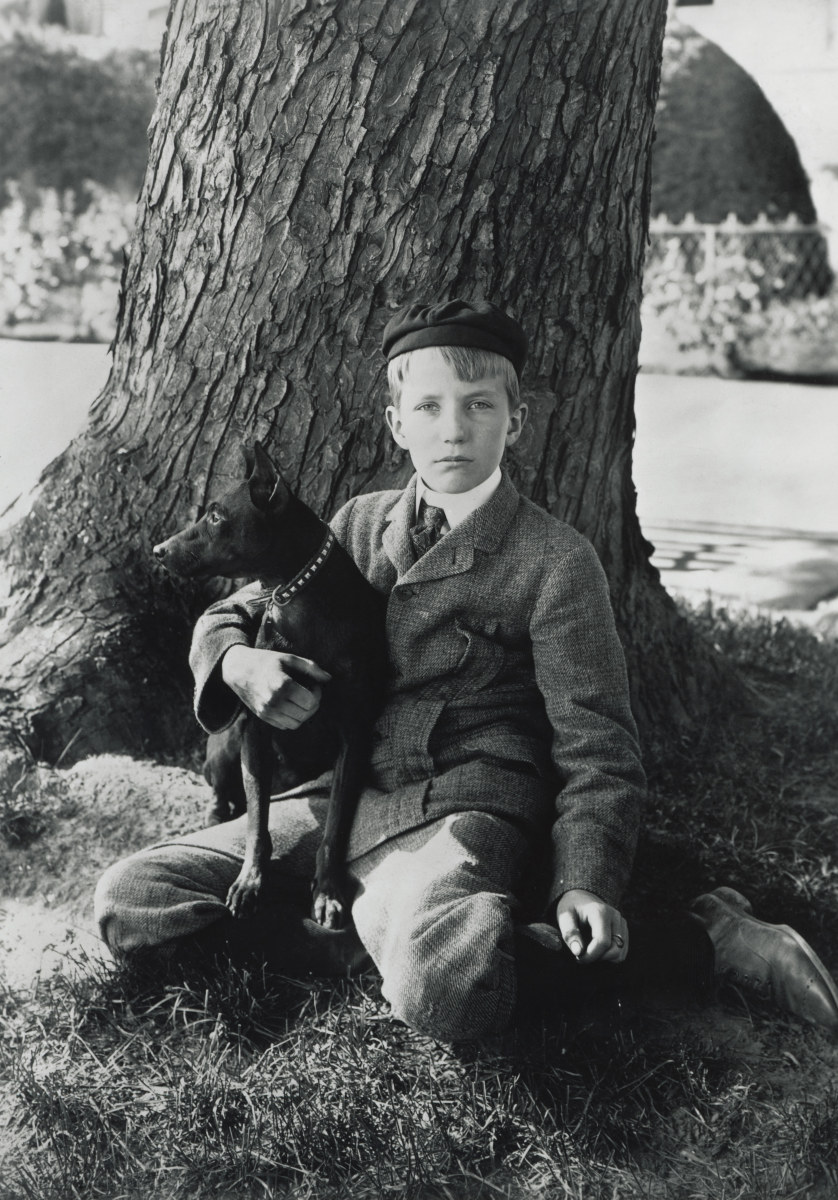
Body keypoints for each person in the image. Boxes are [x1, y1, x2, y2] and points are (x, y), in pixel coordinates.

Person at [94, 299, 838, 1041]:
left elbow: (598, 745)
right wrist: (235, 661)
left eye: (479, 405)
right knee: (133, 898)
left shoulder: (555, 561)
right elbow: (236, 608)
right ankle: (379, 933)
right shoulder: (355, 525)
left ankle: (705, 936)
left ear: (514, 421)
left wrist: (585, 878)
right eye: (429, 406)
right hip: (335, 801)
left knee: (447, 988)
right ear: (397, 424)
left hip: (465, 805)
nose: (453, 428)